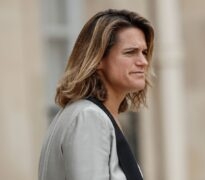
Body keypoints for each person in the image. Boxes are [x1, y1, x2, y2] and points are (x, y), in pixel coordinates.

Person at [38, 9, 154, 180]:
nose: (143, 62)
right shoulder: (89, 117)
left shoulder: (92, 115)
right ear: (98, 58)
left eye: (144, 52)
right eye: (130, 52)